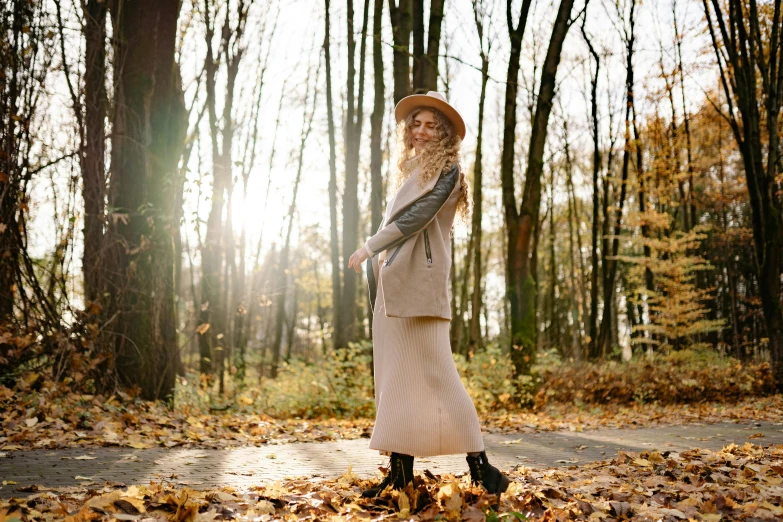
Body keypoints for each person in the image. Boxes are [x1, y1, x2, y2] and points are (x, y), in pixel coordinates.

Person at [347, 91, 510, 500]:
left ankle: (483, 469)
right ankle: (400, 474)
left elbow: (415, 219)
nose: (420, 131)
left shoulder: (449, 171)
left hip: (421, 287)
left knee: (440, 377)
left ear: (445, 133)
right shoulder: (413, 171)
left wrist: (370, 246)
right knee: (395, 382)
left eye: (430, 125)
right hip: (394, 285)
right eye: (415, 123)